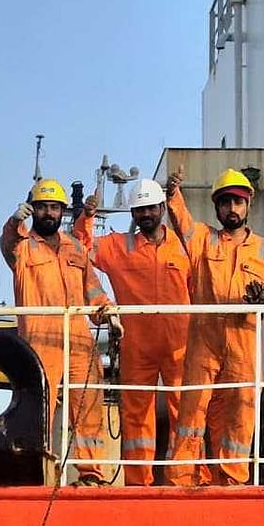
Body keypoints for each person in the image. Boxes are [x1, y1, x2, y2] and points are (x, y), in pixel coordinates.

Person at [163, 166, 264, 486]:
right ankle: (183, 475)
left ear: (248, 205)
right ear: (217, 207)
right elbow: (182, 223)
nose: (232, 208)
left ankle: (232, 477)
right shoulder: (203, 240)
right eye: (225, 202)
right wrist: (172, 194)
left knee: (241, 408)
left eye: (237, 202)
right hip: (204, 337)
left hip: (243, 338)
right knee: (193, 407)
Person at [0, 177, 123, 486]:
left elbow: (92, 287)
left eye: (54, 208)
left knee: (89, 407)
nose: (49, 214)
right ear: (34, 210)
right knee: (38, 410)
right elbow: (8, 242)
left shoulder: (75, 247)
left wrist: (107, 311)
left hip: (79, 340)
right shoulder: (23, 249)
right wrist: (15, 221)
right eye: (42, 208)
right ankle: (35, 475)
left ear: (62, 211)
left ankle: (91, 474)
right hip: (40, 342)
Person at [71, 179, 191, 486]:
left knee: (185, 411)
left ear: (162, 208)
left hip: (180, 343)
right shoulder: (118, 247)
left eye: (151, 207)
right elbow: (81, 248)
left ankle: (186, 476)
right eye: (140, 210)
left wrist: (178, 196)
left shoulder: (185, 247)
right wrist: (87, 216)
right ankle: (139, 481)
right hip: (137, 345)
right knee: (137, 414)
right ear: (134, 214)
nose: (146, 214)